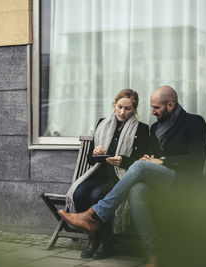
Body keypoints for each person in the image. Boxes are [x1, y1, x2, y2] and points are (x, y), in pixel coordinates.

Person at [59, 85, 206, 266]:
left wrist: (161, 160)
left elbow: (196, 161)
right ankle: (152, 256)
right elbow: (150, 158)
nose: (152, 111)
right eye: (152, 107)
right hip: (159, 180)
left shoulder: (194, 122)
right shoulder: (155, 128)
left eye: (156, 108)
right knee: (136, 191)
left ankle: (93, 215)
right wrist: (149, 158)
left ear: (170, 105)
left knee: (139, 166)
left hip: (184, 181)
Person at [64, 89, 149, 259]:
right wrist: (96, 152)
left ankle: (106, 241)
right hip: (99, 173)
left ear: (134, 110)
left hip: (120, 176)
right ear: (114, 105)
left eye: (128, 109)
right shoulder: (103, 123)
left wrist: (123, 160)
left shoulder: (141, 129)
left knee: (96, 195)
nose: (122, 112)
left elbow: (143, 162)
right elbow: (90, 159)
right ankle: (93, 239)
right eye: (119, 107)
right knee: (80, 193)